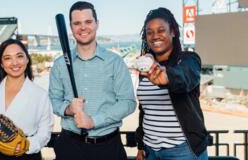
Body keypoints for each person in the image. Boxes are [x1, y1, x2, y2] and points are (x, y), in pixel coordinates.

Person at [49, 1, 136, 160]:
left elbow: (128, 103)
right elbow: (53, 100)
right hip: (70, 146)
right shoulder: (60, 64)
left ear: (97, 24)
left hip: (108, 148)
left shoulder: (115, 62)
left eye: (88, 22)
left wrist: (94, 121)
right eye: (77, 23)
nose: (83, 27)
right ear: (71, 27)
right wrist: (68, 109)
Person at [135, 7, 209, 160]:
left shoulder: (188, 59)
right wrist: (141, 146)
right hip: (151, 151)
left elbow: (184, 79)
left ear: (173, 32)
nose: (155, 36)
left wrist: (167, 78)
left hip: (183, 152)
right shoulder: (147, 69)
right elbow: (145, 111)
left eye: (161, 30)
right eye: (149, 32)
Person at [0, 39, 54, 160]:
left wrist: (26, 145)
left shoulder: (40, 95)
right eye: (7, 58)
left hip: (26, 155)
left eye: (19, 56)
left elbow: (45, 133)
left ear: (27, 59)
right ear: (1, 64)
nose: (14, 63)